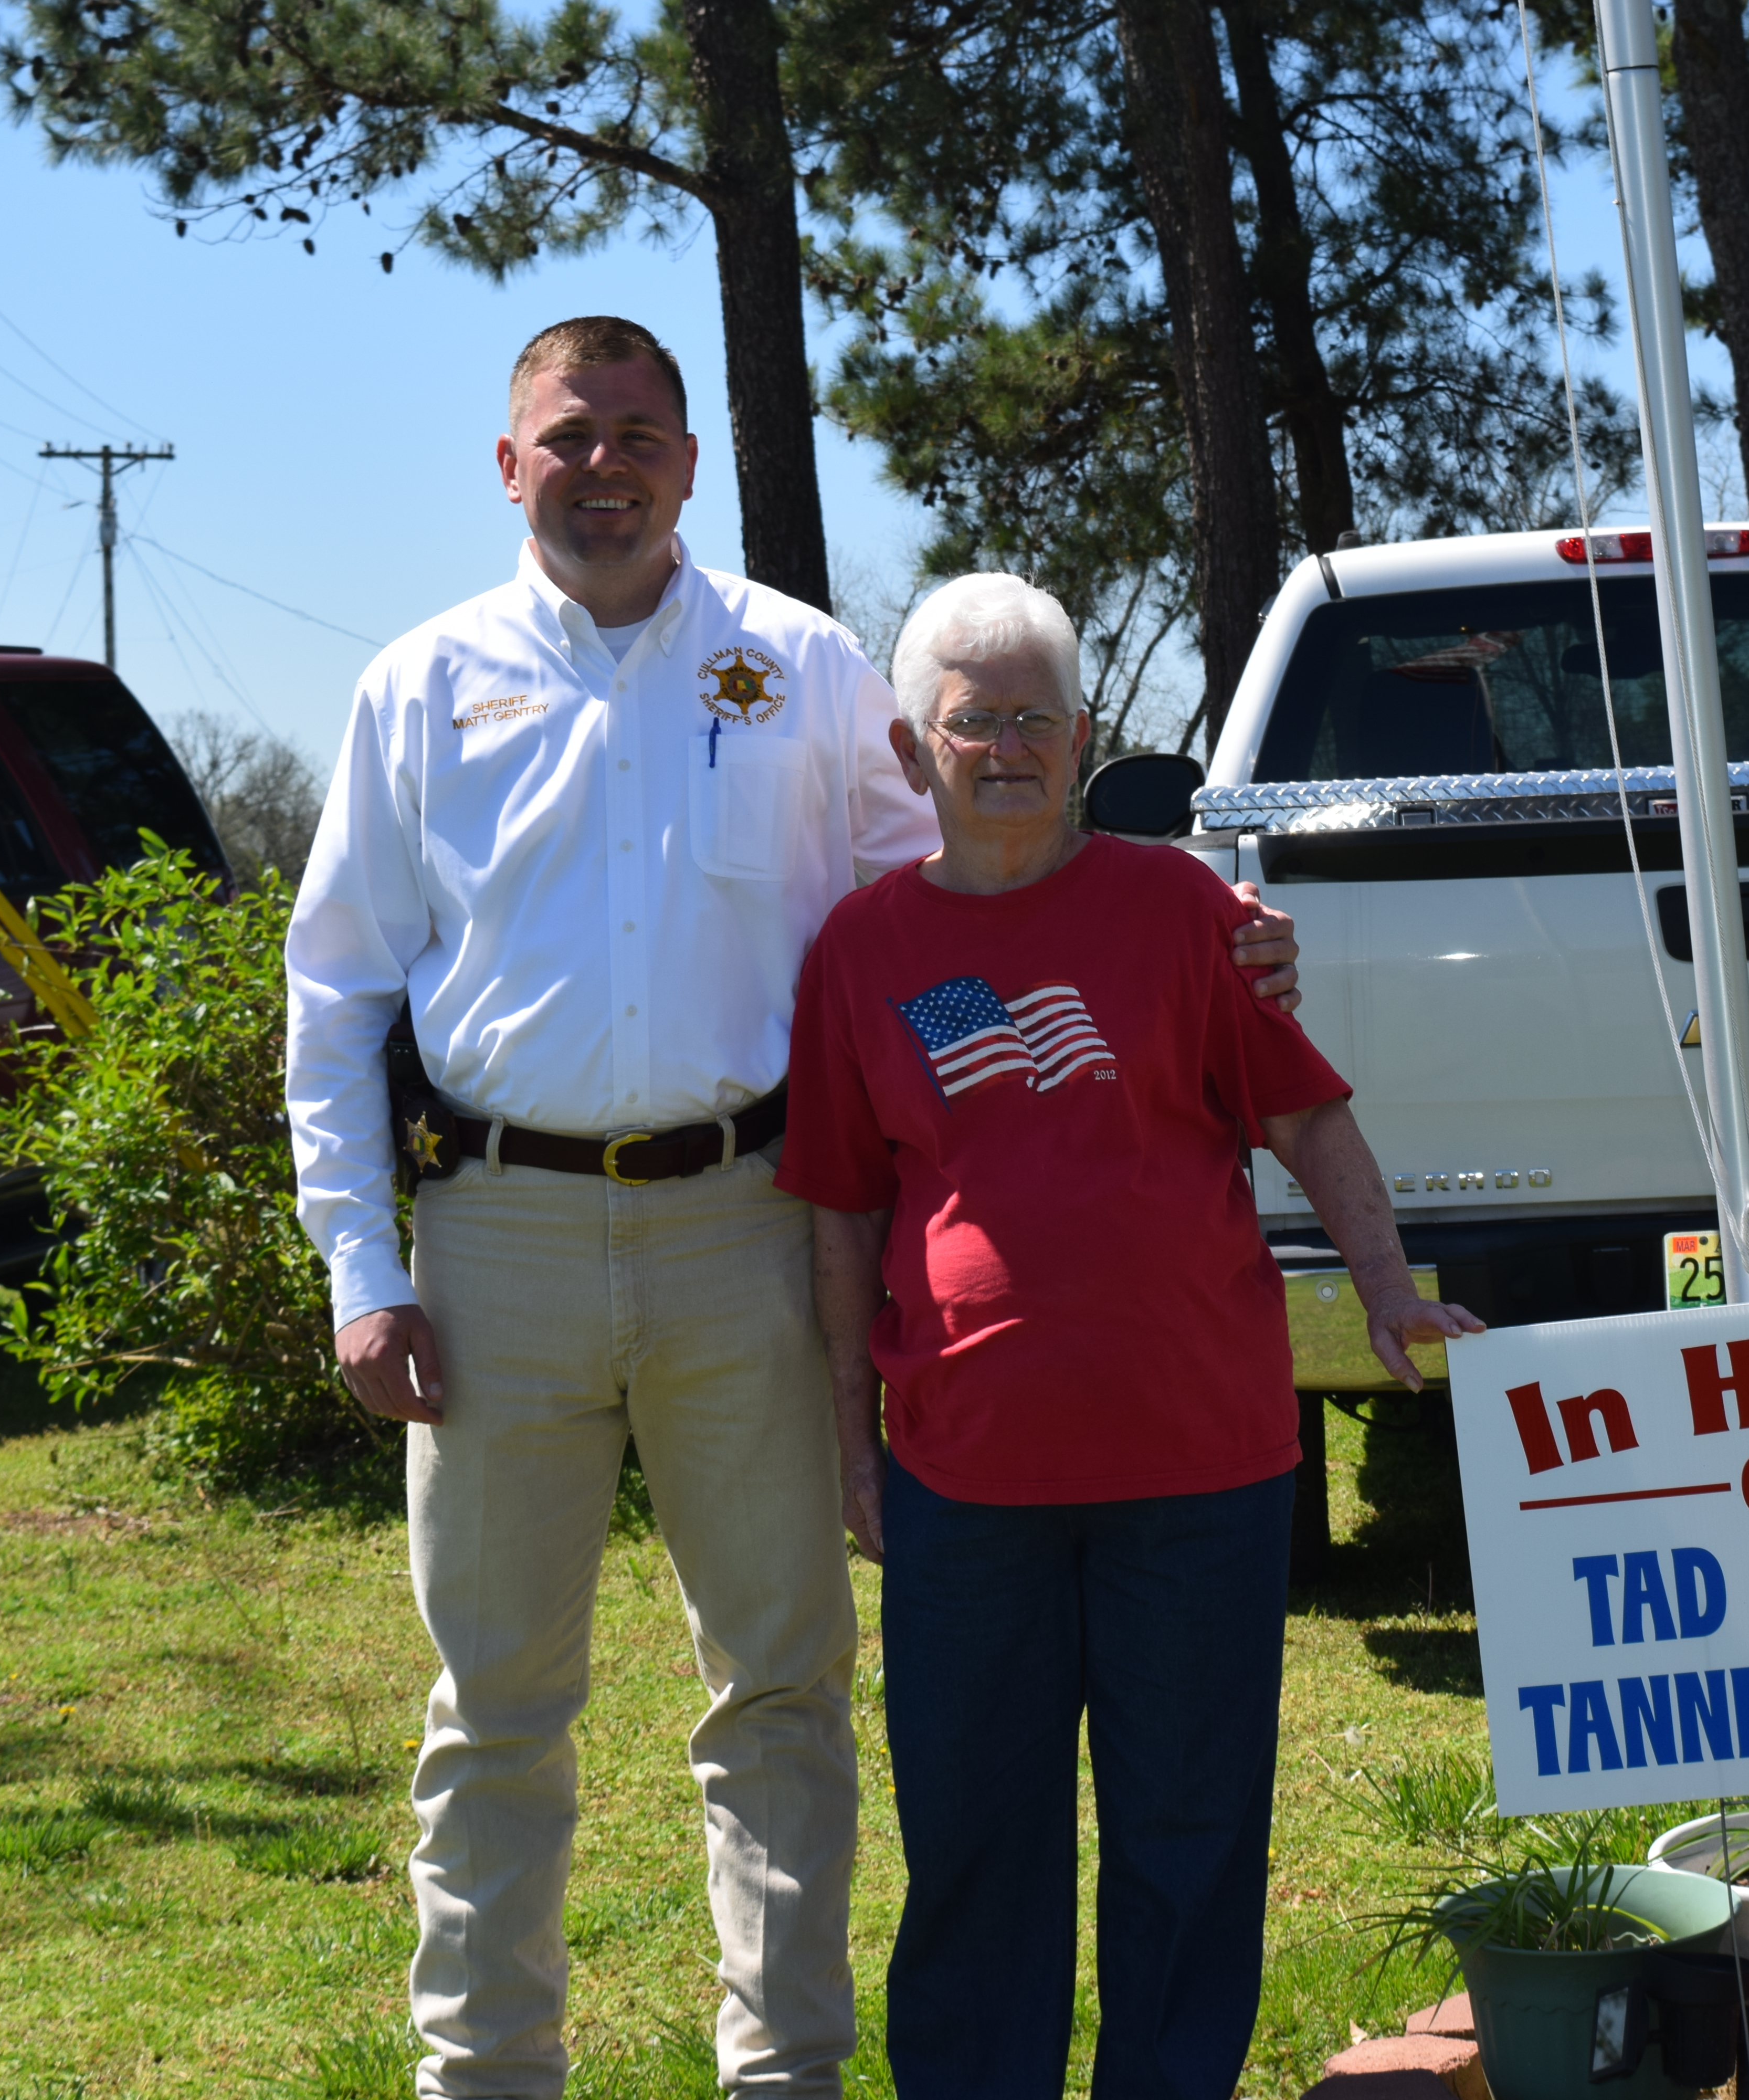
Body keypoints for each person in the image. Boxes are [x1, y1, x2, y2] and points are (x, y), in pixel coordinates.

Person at [283, 319, 1303, 2099]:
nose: (605, 466)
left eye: (639, 436)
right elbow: (338, 996)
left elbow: (978, 877)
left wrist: (1198, 929)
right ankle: (488, 2076)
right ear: (509, 465)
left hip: (749, 1220)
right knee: (496, 1712)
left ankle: (789, 2076)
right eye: (568, 435)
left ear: (690, 464)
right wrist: (363, 1272)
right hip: (496, 1244)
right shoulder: (420, 686)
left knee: (779, 1696)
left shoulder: (803, 667)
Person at [776, 573, 1481, 2099]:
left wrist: (1387, 1286)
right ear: (915, 753)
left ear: (1086, 737)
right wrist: (852, 1445)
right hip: (965, 1484)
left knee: (1190, 1835)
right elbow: (839, 1212)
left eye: (1039, 717)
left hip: (1204, 1471)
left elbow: (1307, 1113)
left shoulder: (1182, 911)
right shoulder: (857, 952)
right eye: (977, 722)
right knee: (974, 1843)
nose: (1010, 746)